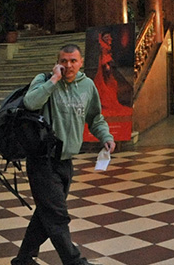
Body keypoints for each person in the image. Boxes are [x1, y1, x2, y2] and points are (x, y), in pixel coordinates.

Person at [13, 44, 115, 265]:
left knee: (46, 213)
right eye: (64, 61)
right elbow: (30, 102)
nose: (68, 65)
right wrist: (54, 80)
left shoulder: (87, 86)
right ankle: (74, 262)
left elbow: (95, 118)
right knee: (57, 216)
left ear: (81, 63)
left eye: (73, 61)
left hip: (66, 162)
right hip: (42, 161)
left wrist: (105, 136)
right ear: (57, 62)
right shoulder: (44, 80)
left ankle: (23, 260)